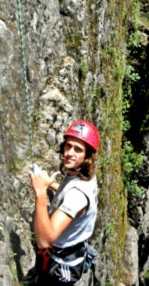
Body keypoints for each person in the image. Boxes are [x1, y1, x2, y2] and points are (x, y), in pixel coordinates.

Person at [30, 120, 100, 285]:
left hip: (60, 266)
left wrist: (40, 192)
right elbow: (68, 194)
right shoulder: (85, 175)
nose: (70, 153)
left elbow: (45, 240)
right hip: (72, 252)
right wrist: (51, 185)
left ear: (87, 156)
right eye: (68, 146)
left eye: (78, 149)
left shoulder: (77, 196)